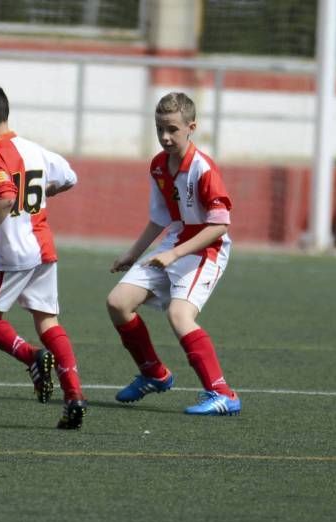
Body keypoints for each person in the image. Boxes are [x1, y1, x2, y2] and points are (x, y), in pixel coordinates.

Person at [0, 83, 87, 430]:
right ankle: (74, 397)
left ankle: (31, 357)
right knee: (48, 323)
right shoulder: (34, 150)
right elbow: (69, 177)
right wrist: (43, 193)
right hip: (43, 247)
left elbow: (5, 196)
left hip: (13, 251)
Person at [106, 92, 240, 416]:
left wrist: (175, 254)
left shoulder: (203, 169)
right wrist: (133, 253)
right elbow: (160, 218)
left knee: (179, 316)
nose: (165, 137)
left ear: (191, 127)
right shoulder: (158, 166)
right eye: (159, 129)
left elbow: (220, 225)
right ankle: (154, 373)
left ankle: (223, 394)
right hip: (176, 242)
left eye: (172, 129)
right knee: (118, 302)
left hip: (205, 249)